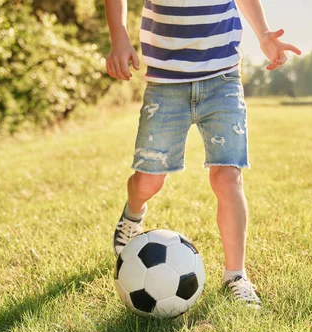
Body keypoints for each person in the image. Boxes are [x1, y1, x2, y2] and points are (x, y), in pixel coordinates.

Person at [104, 0, 300, 308]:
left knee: (228, 177)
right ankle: (133, 213)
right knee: (149, 182)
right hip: (165, 83)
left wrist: (263, 34)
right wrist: (118, 36)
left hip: (222, 80)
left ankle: (236, 275)